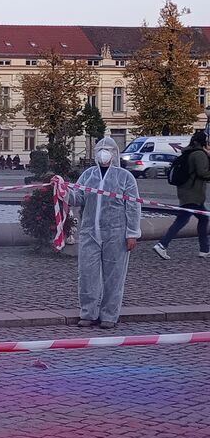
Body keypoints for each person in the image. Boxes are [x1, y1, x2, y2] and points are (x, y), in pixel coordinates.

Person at [67, 137, 141, 329]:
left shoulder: (125, 177)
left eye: (108, 149)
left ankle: (109, 315)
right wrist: (63, 190)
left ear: (115, 153)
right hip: (89, 232)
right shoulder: (88, 175)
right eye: (100, 148)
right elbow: (77, 197)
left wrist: (132, 233)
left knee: (114, 276)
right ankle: (88, 313)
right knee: (87, 274)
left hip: (116, 234)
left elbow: (133, 206)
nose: (103, 153)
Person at [153, 130, 210, 261]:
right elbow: (202, 173)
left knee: (203, 219)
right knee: (181, 220)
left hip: (187, 192)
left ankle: (204, 249)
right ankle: (162, 244)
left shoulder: (188, 152)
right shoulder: (199, 154)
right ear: (203, 142)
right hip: (193, 194)